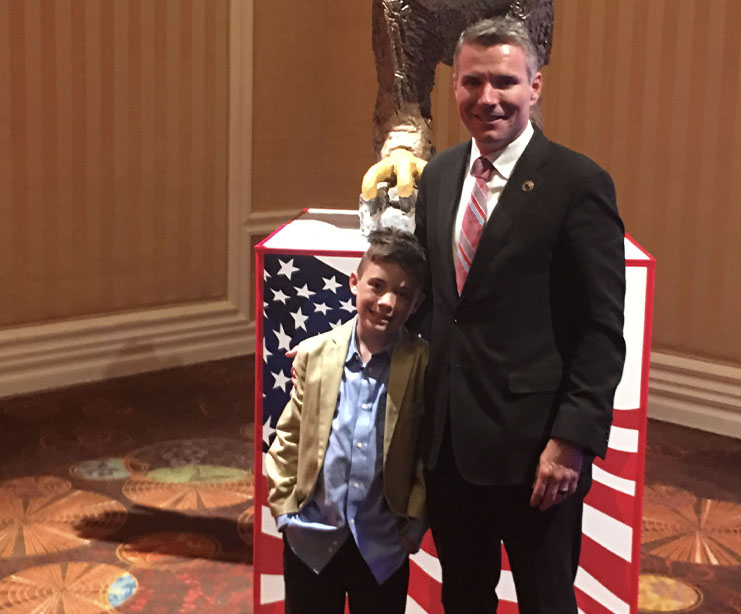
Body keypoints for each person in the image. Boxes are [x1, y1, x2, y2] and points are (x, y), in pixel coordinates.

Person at [412, 16, 626, 614]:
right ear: (455, 87)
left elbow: (602, 329)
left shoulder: (578, 183)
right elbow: (433, 303)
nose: (488, 98)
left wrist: (571, 441)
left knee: (546, 600)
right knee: (464, 597)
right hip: (451, 448)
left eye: (504, 82)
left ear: (535, 86)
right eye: (472, 82)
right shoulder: (440, 175)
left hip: (536, 454)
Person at [264, 229, 429, 614]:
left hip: (383, 547)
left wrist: (414, 525)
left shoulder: (423, 364)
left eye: (403, 293)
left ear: (417, 303)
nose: (387, 302)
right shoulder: (316, 354)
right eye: (377, 286)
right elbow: (289, 436)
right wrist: (285, 510)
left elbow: (425, 451)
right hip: (311, 539)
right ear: (354, 282)